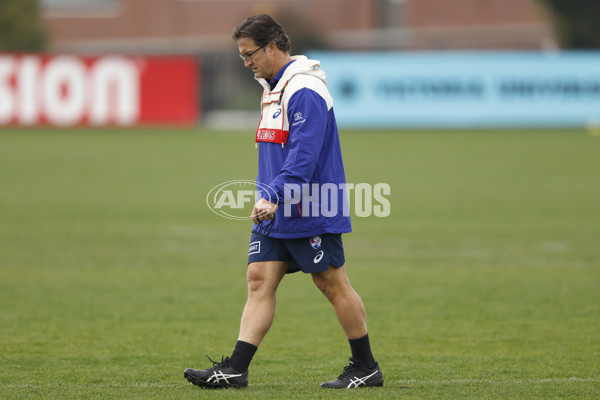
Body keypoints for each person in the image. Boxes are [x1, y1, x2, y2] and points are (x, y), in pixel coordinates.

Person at [184, 14, 383, 390]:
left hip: (310, 205)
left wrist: (274, 194)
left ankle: (366, 366)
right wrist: (268, 196)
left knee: (331, 283)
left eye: (249, 54)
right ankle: (236, 369)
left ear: (272, 47)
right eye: (241, 55)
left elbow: (304, 156)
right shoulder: (273, 86)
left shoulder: (304, 88)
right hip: (275, 208)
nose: (246, 62)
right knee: (259, 279)